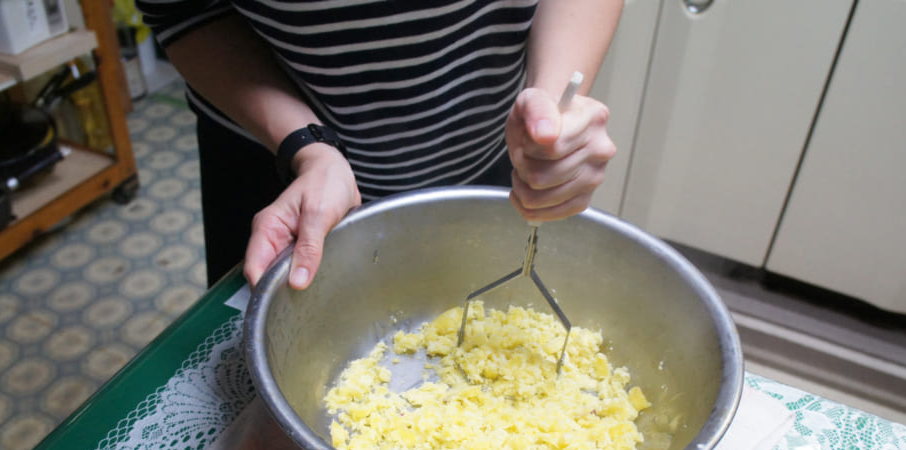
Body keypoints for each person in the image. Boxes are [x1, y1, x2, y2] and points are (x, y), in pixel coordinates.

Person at [135, 0, 622, 288]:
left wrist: (552, 109)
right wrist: (307, 146)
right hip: (277, 168)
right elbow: (184, 9)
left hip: (488, 154)